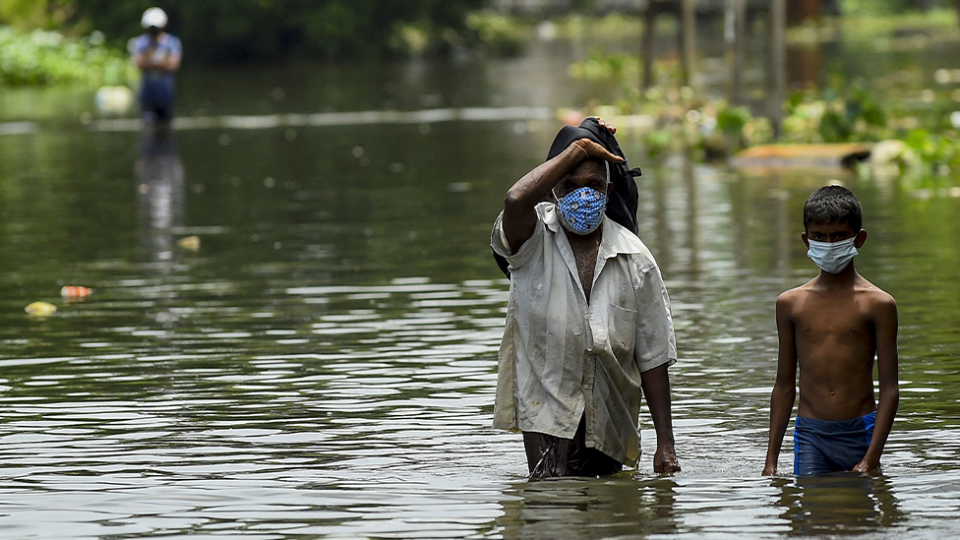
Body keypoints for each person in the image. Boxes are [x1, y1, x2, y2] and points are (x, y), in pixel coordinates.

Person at [491, 118, 680, 478]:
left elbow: (653, 357)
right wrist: (578, 148)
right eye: (570, 186)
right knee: (551, 506)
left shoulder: (635, 259)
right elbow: (516, 199)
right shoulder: (532, 242)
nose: (583, 195)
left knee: (611, 514)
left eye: (593, 185)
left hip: (611, 418)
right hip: (546, 414)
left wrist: (666, 444)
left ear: (608, 193)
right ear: (552, 191)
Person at [762, 185, 899, 476]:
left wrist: (872, 457)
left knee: (860, 516)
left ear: (858, 239)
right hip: (811, 433)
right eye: (820, 237)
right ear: (806, 240)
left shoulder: (879, 304)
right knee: (812, 511)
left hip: (861, 432)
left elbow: (890, 388)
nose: (829, 243)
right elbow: (784, 385)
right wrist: (771, 461)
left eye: (838, 236)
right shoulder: (791, 304)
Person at [129, 7, 182, 122]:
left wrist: (149, 63)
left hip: (166, 95)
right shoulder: (139, 42)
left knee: (167, 126)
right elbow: (137, 63)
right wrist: (161, 64)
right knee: (147, 127)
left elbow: (173, 64)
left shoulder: (172, 42)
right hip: (147, 95)